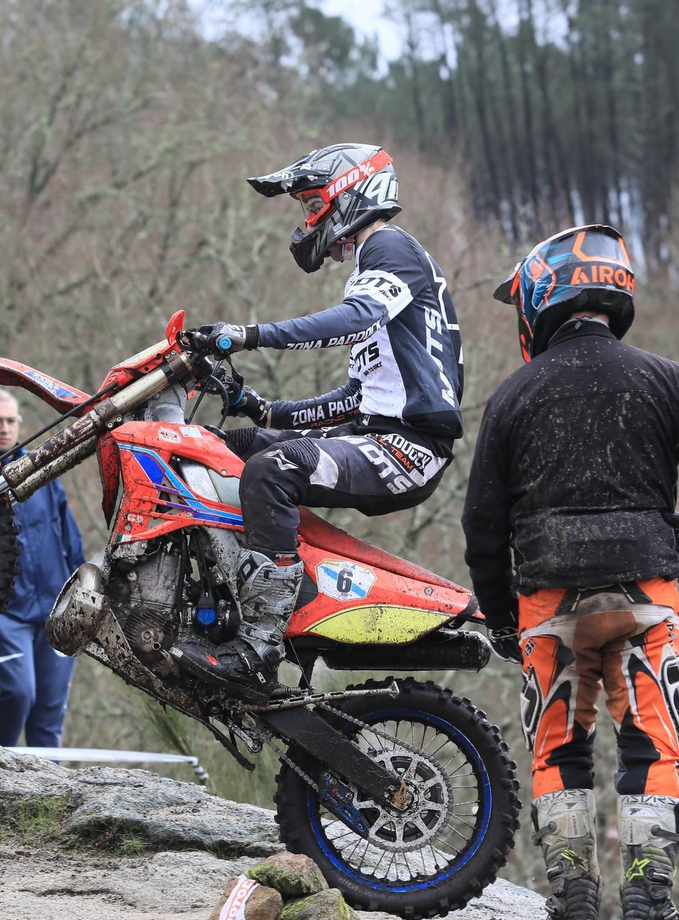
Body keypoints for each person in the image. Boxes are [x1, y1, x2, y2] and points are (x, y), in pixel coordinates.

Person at [462, 224, 679, 920]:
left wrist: (503, 617)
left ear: (542, 298)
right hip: (643, 583)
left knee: (557, 745)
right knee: (651, 739)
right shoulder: (668, 379)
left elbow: (482, 522)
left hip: (547, 592)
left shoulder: (513, 395)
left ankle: (571, 918)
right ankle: (650, 916)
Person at [171, 143, 462, 698]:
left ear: (351, 191)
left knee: (272, 469)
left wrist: (248, 335)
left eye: (311, 204)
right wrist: (262, 408)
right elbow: (357, 397)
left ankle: (259, 644)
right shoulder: (378, 262)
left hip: (409, 448)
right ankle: (210, 599)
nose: (309, 221)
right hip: (374, 432)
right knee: (231, 447)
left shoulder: (391, 248)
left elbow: (355, 321)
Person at [0, 390, 85, 747]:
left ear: (20, 424)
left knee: (49, 713)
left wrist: (83, 593)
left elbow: (68, 533)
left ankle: (51, 798)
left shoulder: (40, 468)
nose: (4, 428)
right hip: (5, 615)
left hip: (54, 609)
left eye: (10, 421)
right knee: (19, 694)